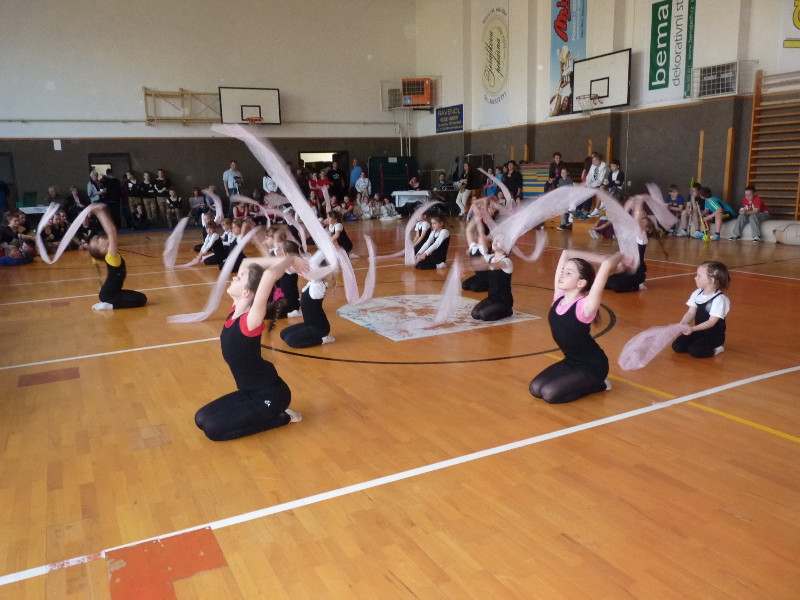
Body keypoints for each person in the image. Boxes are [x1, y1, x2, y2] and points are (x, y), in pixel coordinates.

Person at [194, 256, 303, 442]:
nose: (234, 277)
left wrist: (291, 259)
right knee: (201, 419)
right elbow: (246, 263)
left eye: (239, 278)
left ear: (246, 293)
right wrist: (284, 258)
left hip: (271, 395)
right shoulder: (235, 310)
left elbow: (269, 275)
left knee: (213, 431)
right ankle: (267, 412)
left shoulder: (250, 320)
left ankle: (282, 417)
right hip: (249, 392)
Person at [529, 249, 625, 404]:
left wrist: (622, 255)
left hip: (593, 366)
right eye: (563, 271)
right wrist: (601, 256)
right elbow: (566, 253)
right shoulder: (559, 297)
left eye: (568, 273)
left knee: (549, 394)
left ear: (580, 283)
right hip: (571, 362)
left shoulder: (585, 306)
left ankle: (599, 384)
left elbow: (607, 265)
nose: (562, 275)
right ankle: (577, 380)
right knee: (535, 388)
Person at [87, 206, 148, 311]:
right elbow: (112, 231)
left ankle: (109, 303)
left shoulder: (110, 255)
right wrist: (99, 213)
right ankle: (110, 305)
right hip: (109, 295)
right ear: (102, 250)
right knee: (142, 299)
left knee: (140, 297)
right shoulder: (111, 255)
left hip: (110, 293)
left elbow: (112, 228)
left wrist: (103, 212)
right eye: (97, 242)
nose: (99, 238)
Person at [672, 261, 730, 358]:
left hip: (713, 336)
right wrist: (683, 323)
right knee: (677, 346)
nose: (695, 278)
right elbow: (691, 311)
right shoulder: (697, 293)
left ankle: (717, 348)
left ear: (711, 280)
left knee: (696, 351)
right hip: (699, 331)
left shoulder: (720, 299)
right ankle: (699, 343)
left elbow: (711, 322)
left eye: (699, 276)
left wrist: (692, 329)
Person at [280, 251, 335, 348]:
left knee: (291, 341)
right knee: (283, 334)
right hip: (309, 324)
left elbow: (314, 263)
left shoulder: (318, 286)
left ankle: (323, 339)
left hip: (319, 328)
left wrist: (327, 246)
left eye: (311, 269)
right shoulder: (311, 283)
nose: (308, 269)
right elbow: (289, 270)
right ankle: (315, 336)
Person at [470, 225, 513, 321]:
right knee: (475, 314)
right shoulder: (490, 257)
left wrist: (478, 265)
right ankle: (495, 309)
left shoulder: (507, 262)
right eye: (495, 240)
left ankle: (508, 310)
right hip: (491, 298)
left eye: (499, 241)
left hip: (503, 301)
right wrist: (462, 266)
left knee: (483, 315)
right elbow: (476, 263)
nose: (495, 242)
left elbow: (488, 265)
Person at [604, 198, 648, 293]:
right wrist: (628, 206)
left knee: (617, 287)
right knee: (607, 283)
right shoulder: (628, 234)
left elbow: (637, 221)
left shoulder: (641, 236)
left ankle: (637, 284)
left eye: (644, 222)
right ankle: (632, 282)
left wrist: (639, 202)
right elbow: (622, 219)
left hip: (637, 271)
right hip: (628, 270)